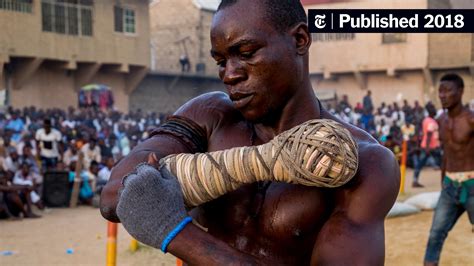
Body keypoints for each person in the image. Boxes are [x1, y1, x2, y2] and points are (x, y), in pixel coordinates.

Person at [100, 1, 399, 264]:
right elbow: (115, 196)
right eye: (221, 62)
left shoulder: (364, 163)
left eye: (246, 52)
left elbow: (144, 204)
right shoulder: (211, 117)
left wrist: (176, 233)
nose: (230, 74)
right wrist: (265, 160)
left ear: (300, 39)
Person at [424, 74, 474, 266]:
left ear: (460, 92)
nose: (442, 96)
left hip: (472, 186)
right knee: (435, 234)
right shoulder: (441, 121)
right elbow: (446, 154)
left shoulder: (470, 120)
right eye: (440, 92)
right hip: (450, 187)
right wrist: (443, 181)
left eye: (447, 91)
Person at [412, 105, 441, 188]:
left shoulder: (426, 120)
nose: (435, 110)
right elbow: (428, 134)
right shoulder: (431, 122)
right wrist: (428, 147)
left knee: (420, 164)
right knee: (442, 163)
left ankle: (415, 180)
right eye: (434, 109)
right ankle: (446, 183)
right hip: (432, 147)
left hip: (427, 146)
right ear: (430, 111)